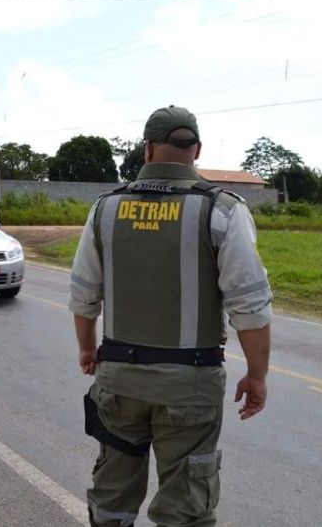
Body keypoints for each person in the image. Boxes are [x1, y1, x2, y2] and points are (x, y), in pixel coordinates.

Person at [69, 105, 272, 527]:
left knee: (111, 498)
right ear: (196, 150)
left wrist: (88, 348)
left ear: (147, 149)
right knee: (186, 508)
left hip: (119, 382)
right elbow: (249, 306)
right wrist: (257, 375)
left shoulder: (105, 208)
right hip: (191, 389)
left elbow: (84, 293)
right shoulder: (222, 210)